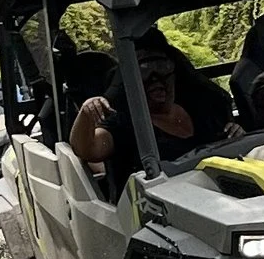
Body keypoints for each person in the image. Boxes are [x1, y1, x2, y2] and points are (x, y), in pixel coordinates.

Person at [68, 32, 233, 185]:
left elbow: (225, 145)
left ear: (174, 71)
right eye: (144, 70)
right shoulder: (124, 123)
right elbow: (88, 149)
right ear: (129, 80)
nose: (155, 79)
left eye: (162, 66)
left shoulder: (201, 107)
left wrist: (235, 134)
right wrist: (86, 114)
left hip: (218, 188)